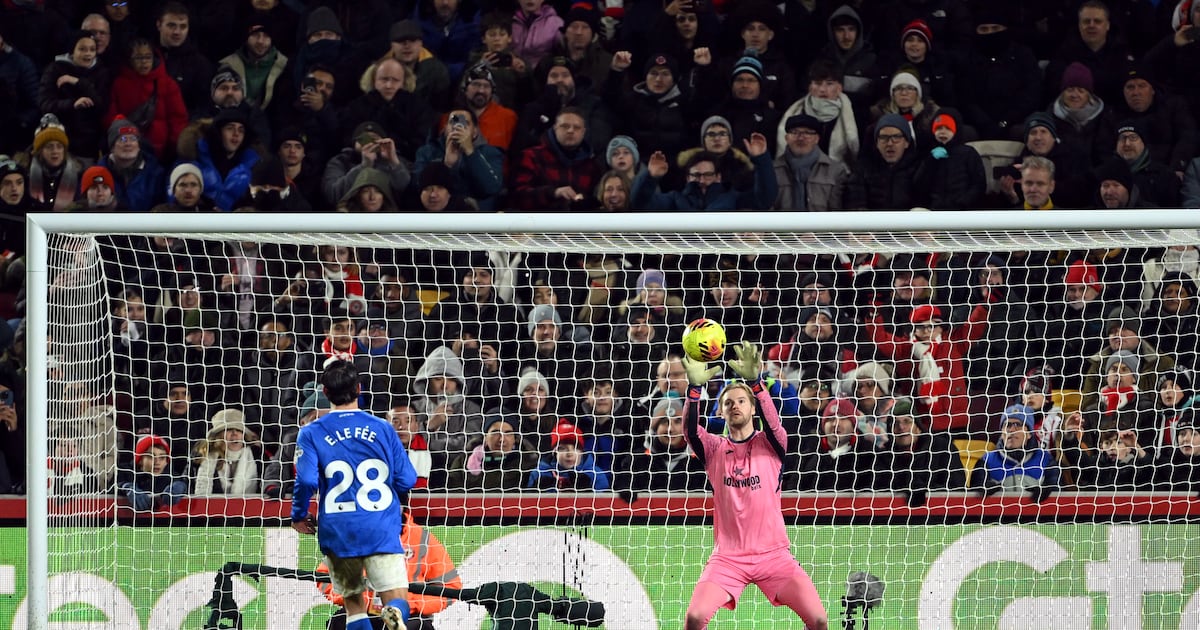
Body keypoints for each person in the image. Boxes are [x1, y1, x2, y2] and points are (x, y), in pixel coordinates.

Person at [679, 341, 828, 630]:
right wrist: (694, 391)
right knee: (694, 618)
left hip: (774, 556)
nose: (735, 405)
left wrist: (756, 384)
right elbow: (689, 430)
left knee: (819, 619)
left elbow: (773, 422)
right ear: (720, 412)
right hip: (728, 558)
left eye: (741, 401)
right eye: (728, 402)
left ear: (752, 408)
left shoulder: (772, 443)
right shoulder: (712, 449)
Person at [291, 359, 419, 630]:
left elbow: (305, 479)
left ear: (325, 393)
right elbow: (408, 479)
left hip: (338, 530)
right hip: (380, 527)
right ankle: (393, 611)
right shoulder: (383, 428)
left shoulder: (310, 432)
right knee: (397, 598)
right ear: (359, 389)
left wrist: (298, 515)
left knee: (354, 607)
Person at [317, 504, 462, 630]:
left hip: (409, 616)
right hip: (363, 611)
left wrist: (411, 605)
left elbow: (451, 587)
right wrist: (357, 600)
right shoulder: (355, 534)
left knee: (418, 625)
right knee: (340, 620)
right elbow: (323, 577)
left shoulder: (422, 538)